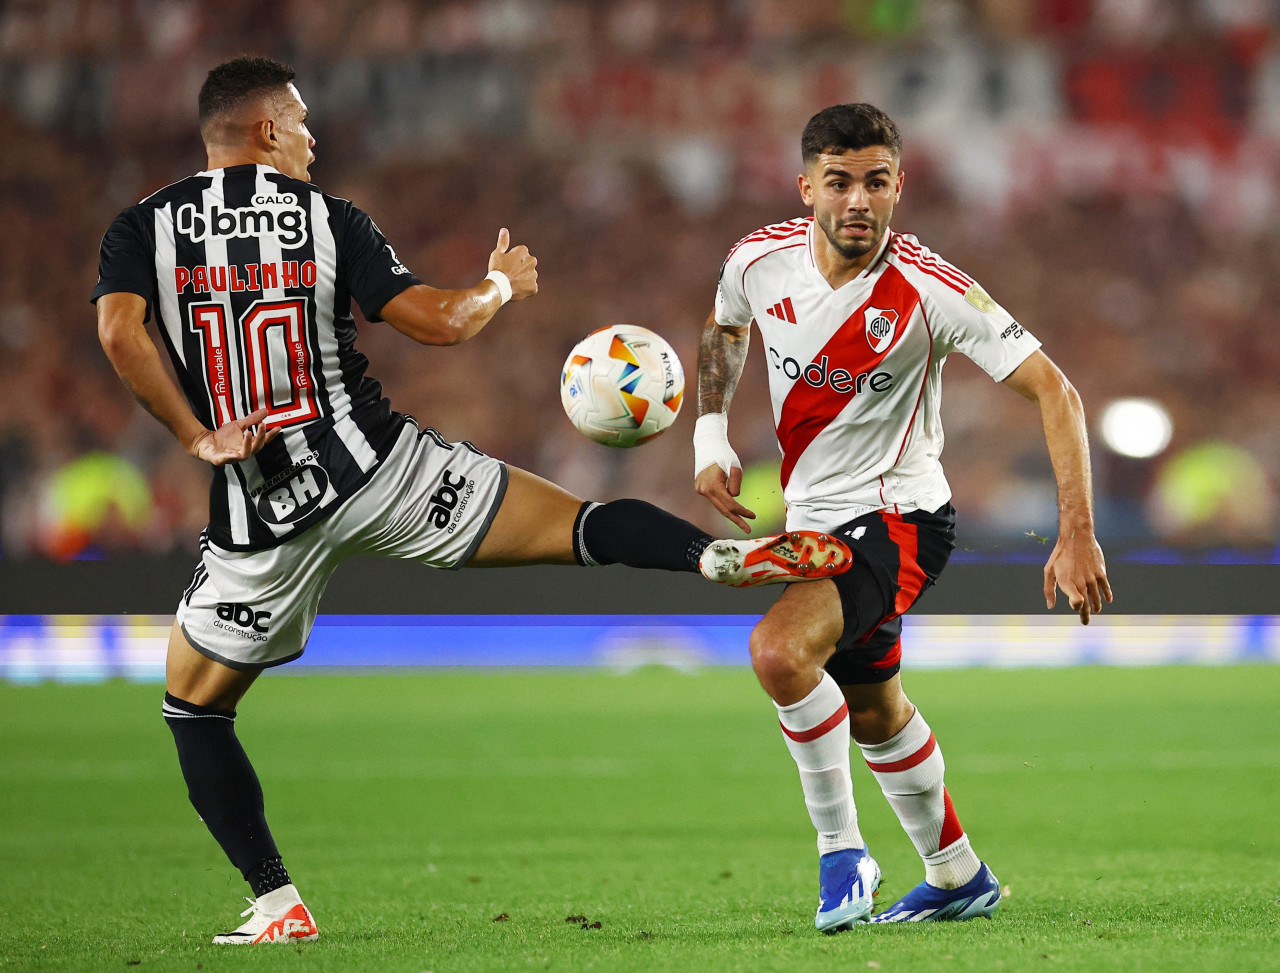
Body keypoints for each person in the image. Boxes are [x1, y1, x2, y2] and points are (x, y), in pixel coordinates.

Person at [92, 57, 850, 946]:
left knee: (194, 705)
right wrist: (499, 284)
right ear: (264, 131)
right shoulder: (327, 220)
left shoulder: (141, 227)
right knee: (574, 526)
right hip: (381, 469)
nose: (311, 137)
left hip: (262, 510)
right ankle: (710, 557)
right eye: (299, 122)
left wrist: (196, 436)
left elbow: (118, 331)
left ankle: (276, 902)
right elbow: (438, 322)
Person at [693, 103, 1112, 931]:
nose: (858, 200)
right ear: (805, 186)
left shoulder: (931, 288)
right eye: (840, 182)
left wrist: (1077, 530)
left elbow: (1054, 390)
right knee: (876, 708)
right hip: (817, 520)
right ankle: (957, 872)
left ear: (899, 186)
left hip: (901, 519)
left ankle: (841, 850)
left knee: (779, 652)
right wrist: (710, 432)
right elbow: (722, 327)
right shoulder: (757, 261)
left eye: (876, 182)